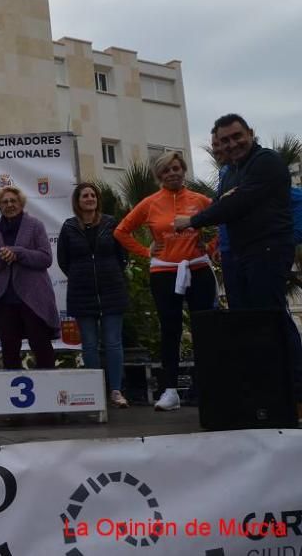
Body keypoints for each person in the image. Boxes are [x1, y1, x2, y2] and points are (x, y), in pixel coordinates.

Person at [176, 113, 301, 402]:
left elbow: (238, 203)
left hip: (267, 249)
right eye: (225, 140)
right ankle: (262, 388)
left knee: (269, 316)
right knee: (246, 320)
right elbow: (225, 204)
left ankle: (295, 388)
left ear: (250, 133)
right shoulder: (231, 171)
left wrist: (192, 221)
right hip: (240, 254)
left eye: (237, 136)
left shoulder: (265, 161)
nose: (232, 144)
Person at [115, 152, 216, 411]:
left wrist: (211, 247)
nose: (172, 173)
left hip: (198, 269)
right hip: (165, 272)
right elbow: (121, 231)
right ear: (159, 176)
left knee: (204, 328)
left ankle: (209, 387)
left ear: (183, 171)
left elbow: (224, 222)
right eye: (166, 171)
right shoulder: (149, 203)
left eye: (176, 168)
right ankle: (170, 391)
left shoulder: (200, 200)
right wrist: (145, 250)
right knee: (169, 329)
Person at [57, 182, 130, 408]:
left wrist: (109, 273)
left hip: (112, 290)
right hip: (82, 293)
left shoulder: (110, 223)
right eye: (84, 196)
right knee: (89, 344)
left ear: (97, 199)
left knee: (113, 342)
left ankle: (116, 391)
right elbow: (63, 261)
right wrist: (82, 275)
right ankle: (95, 391)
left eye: (92, 195)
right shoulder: (69, 227)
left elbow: (122, 255)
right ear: (77, 202)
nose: (89, 198)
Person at [0, 186, 60, 369]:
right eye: (5, 202)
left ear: (21, 204)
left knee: (40, 344)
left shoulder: (35, 225)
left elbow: (46, 258)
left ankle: (49, 385)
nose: (9, 205)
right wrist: (2, 258)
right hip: (5, 300)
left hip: (33, 298)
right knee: (9, 348)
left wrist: (17, 252)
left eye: (13, 201)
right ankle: (12, 390)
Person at [210, 128, 237, 307]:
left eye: (220, 144)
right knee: (239, 307)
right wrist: (220, 243)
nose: (217, 149)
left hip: (251, 251)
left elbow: (296, 198)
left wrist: (289, 237)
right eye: (214, 144)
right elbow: (225, 213)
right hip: (228, 252)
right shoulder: (225, 173)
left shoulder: (249, 170)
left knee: (270, 310)